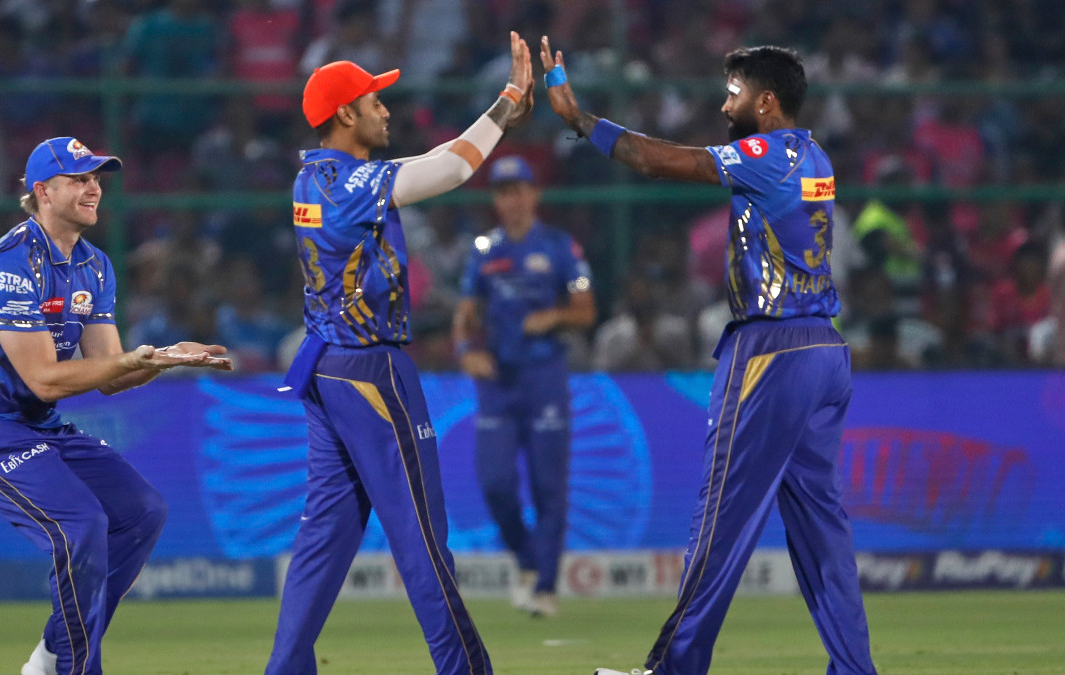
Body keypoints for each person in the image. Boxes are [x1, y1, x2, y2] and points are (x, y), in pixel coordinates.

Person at [537, 38, 877, 675]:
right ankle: (854, 669)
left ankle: (674, 668)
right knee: (821, 527)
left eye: (734, 93)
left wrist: (579, 119)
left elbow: (658, 160)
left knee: (720, 515)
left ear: (766, 102)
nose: (725, 106)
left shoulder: (766, 153)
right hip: (824, 350)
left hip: (770, 351)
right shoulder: (815, 154)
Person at [267, 31, 534, 675]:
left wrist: (487, 122)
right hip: (370, 370)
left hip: (326, 368)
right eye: (372, 100)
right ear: (344, 116)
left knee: (324, 538)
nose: (386, 109)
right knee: (420, 535)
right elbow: (452, 169)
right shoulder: (350, 183)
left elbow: (433, 158)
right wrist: (506, 102)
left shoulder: (316, 175)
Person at [0, 137, 232, 675]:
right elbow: (46, 380)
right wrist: (141, 358)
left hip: (39, 427)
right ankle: (72, 667)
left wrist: (166, 359)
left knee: (142, 513)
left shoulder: (94, 265)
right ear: (43, 191)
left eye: (97, 178)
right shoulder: (8, 266)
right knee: (81, 525)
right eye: (80, 179)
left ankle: (49, 657)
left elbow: (109, 374)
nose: (94, 187)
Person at [451, 154, 595, 617]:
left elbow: (586, 310)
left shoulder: (558, 246)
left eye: (518, 190)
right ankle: (527, 560)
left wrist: (554, 316)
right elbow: (465, 313)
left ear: (534, 195)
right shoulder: (484, 250)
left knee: (548, 486)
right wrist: (463, 352)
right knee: (495, 483)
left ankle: (546, 588)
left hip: (544, 376)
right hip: (498, 378)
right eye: (502, 192)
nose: (511, 200)